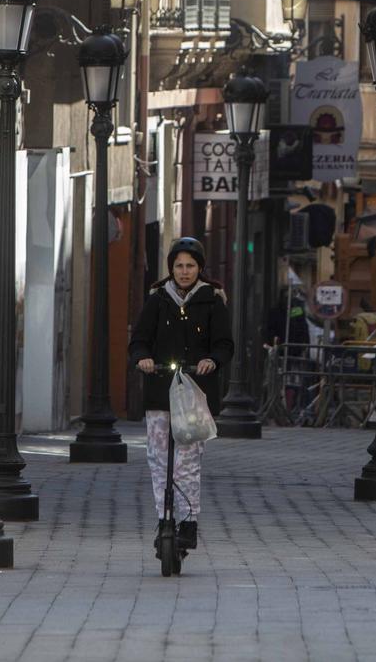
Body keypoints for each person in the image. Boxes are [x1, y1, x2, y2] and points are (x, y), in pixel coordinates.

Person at [127, 237, 234, 555]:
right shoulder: (158, 299)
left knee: (187, 463)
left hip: (195, 394)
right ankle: (164, 519)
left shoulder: (212, 300)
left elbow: (225, 343)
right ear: (171, 268)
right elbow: (139, 341)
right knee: (159, 461)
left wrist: (211, 360)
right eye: (179, 266)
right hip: (160, 392)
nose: (184, 272)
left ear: (199, 268)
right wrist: (143, 359)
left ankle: (188, 523)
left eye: (190, 266)